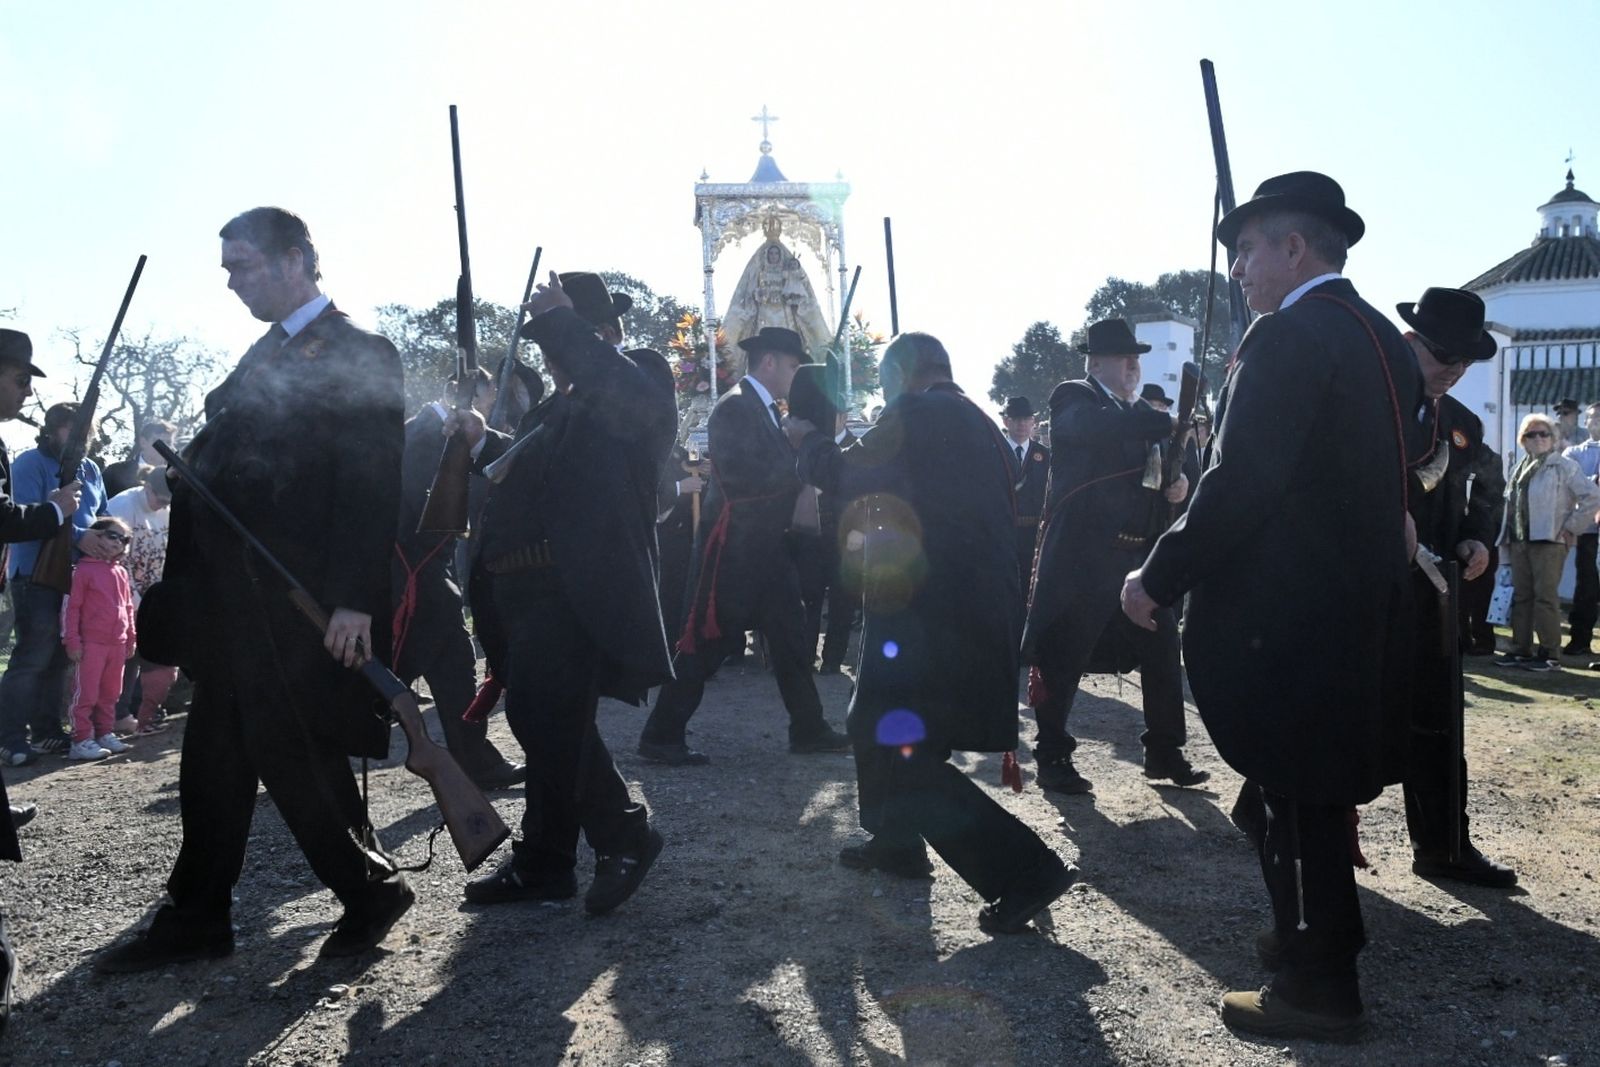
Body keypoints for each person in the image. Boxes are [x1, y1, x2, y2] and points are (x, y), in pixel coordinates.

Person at [1122, 172, 1419, 1040]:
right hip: (1359, 606)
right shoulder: (1383, 340)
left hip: (1294, 614)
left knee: (1294, 794)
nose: (1239, 267)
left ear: (1295, 248)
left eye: (1249, 249)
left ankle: (1315, 984)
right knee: (1298, 795)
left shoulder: (1290, 338)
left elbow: (1241, 480)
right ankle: (1315, 935)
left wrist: (1158, 573)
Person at [98, 206, 411, 972]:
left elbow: (373, 487)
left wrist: (354, 598)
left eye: (244, 265)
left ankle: (364, 888)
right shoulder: (259, 357)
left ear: (296, 259)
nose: (233, 281)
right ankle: (201, 911)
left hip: (297, 596)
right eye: (229, 268)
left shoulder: (360, 350)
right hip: (235, 601)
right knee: (215, 754)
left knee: (286, 747)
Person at [792, 332, 1077, 934]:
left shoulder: (918, 412)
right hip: (971, 610)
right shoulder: (976, 421)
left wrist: (808, 439)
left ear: (902, 377)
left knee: (891, 737)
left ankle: (1024, 871)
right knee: (896, 730)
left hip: (931, 612)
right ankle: (896, 844)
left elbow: (847, 477)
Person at [452, 271, 674, 914]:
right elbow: (533, 466)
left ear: (602, 335)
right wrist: (481, 442)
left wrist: (562, 323)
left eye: (566, 338)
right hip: (525, 592)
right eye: (550, 344)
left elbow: (629, 406)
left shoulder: (638, 377)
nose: (553, 356)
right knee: (556, 723)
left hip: (575, 588)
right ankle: (547, 860)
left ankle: (624, 832)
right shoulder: (557, 408)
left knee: (543, 718)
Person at [639, 326, 849, 765]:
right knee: (708, 642)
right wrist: (797, 458)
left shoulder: (766, 408)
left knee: (791, 639)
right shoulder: (734, 407)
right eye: (793, 366)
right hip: (735, 548)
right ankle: (661, 734)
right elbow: (742, 476)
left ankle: (808, 727)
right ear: (769, 362)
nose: (796, 375)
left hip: (767, 546)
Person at [1022, 319, 1204, 795]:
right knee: (1065, 656)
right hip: (1085, 559)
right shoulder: (1075, 397)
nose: (1134, 366)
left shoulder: (1141, 412)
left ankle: (1164, 750)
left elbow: (1162, 474)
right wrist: (1164, 421)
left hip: (1136, 560)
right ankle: (1052, 754)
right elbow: (1089, 430)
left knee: (1163, 646)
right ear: (1096, 361)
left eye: (1137, 359)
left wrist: (1177, 486)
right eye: (1125, 359)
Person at [1393, 288, 1516, 887]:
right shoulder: (1370, 404)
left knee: (1439, 724)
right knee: (1334, 715)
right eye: (1443, 356)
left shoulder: (1462, 425)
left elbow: (1490, 485)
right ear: (1411, 341)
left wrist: (1478, 537)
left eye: (1464, 363)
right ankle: (1269, 815)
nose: (1452, 371)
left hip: (1430, 598)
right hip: (1359, 593)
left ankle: (1444, 846)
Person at [0, 330, 79, 1038]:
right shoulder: (23, 459)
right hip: (30, 578)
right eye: (20, 376)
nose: (26, 389)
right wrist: (56, 510)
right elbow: (13, 518)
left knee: (51, 663)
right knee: (32, 664)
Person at [392, 370, 524, 791]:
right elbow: (427, 509)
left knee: (453, 672)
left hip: (430, 577)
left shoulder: (439, 433)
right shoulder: (424, 435)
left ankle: (478, 762)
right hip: (417, 578)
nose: (488, 405)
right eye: (485, 396)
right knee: (433, 672)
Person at [0, 402, 118, 766]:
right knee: (33, 656)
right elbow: (24, 520)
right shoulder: (28, 464)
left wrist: (109, 539)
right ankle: (10, 738)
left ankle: (48, 731)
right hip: (35, 574)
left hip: (80, 578)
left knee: (58, 658)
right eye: (73, 430)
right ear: (51, 430)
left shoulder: (92, 469)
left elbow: (102, 516)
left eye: (86, 432)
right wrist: (83, 536)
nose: (81, 439)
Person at [1496, 412, 1600, 670]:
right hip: (1520, 539)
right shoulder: (1519, 467)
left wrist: (1570, 528)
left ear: (1553, 438)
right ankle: (1521, 648)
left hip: (1549, 541)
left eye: (1544, 433)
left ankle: (1550, 653)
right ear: (1524, 439)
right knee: (1522, 597)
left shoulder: (1564, 466)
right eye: (1532, 434)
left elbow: (1592, 497)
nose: (1538, 438)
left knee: (1545, 597)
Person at [106, 467, 178, 734]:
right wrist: (132, 599)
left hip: (151, 595)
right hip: (121, 595)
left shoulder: (169, 511)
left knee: (140, 657)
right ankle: (114, 713)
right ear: (146, 486)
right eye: (158, 497)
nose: (160, 504)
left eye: (166, 501)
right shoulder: (123, 505)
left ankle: (133, 712)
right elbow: (114, 555)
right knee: (122, 656)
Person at [62, 516, 137, 761]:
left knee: (111, 693)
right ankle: (81, 739)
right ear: (97, 535)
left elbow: (127, 607)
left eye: (123, 539)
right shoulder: (82, 570)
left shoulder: (121, 573)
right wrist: (72, 640)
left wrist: (130, 637)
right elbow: (71, 608)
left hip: (117, 644)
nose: (117, 543)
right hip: (91, 644)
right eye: (112, 535)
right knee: (86, 693)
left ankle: (105, 732)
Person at [1458, 439, 1507, 655]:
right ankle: (1463, 638)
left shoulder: (1488, 458)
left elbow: (1490, 498)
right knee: (1463, 589)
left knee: (1482, 589)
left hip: (1486, 529)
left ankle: (1483, 640)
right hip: (1465, 528)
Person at [1561, 402, 1600, 655]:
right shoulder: (1574, 452)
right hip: (1587, 530)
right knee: (1585, 585)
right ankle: (1580, 639)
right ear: (1586, 422)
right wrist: (1593, 483)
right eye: (1594, 418)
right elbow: (1567, 482)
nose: (1597, 422)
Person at [1000, 396, 1049, 592]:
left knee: (1031, 588)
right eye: (1016, 419)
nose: (1021, 424)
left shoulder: (1045, 456)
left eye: (1026, 419)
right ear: (1006, 421)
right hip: (1004, 533)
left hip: (1034, 535)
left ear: (1033, 422)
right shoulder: (995, 451)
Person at [101, 420, 176, 499]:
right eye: (159, 442)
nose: (164, 447)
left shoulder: (175, 479)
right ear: (143, 442)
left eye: (168, 442)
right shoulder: (115, 472)